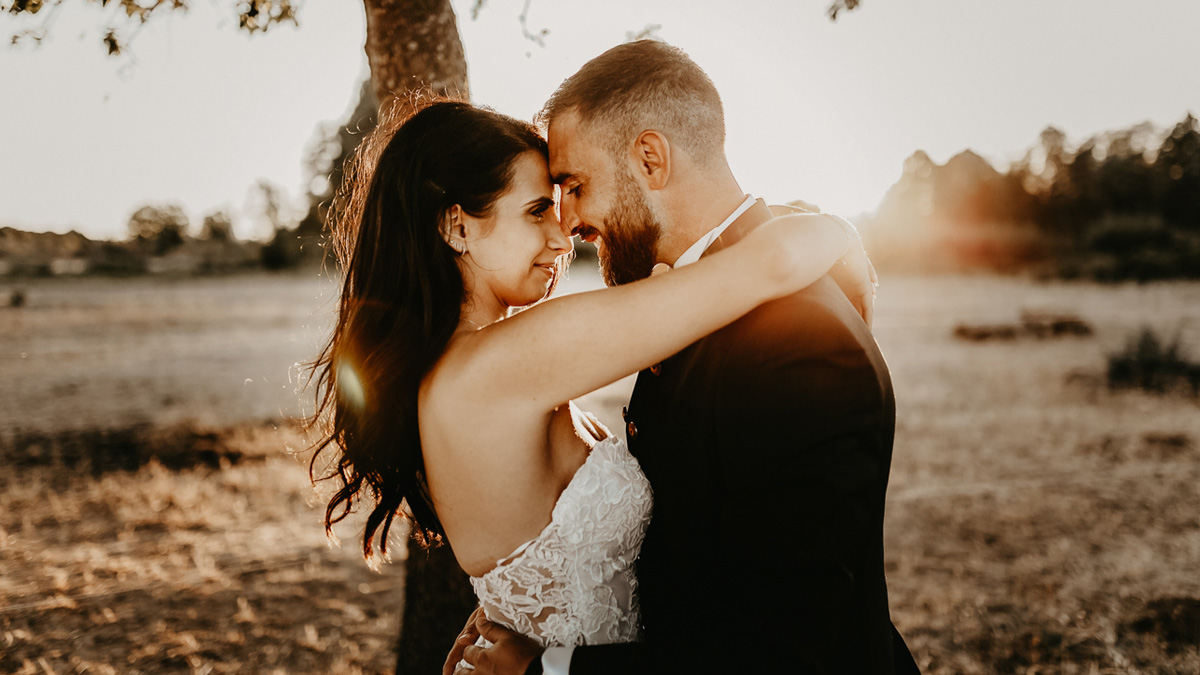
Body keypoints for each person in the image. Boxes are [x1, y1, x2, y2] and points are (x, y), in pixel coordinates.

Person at [305, 96, 876, 669]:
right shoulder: (502, 364)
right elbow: (768, 266)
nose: (562, 237)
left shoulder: (468, 369)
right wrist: (842, 231)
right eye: (535, 212)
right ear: (458, 226)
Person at [445, 41, 920, 675]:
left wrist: (548, 668)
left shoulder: (798, 346)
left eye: (575, 186)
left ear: (649, 158)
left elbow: (780, 651)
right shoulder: (689, 304)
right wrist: (534, 605)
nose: (572, 224)